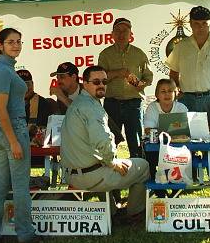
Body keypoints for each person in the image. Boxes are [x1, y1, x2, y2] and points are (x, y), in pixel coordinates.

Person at [60, 65, 150, 223]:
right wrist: (112, 162)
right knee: (143, 166)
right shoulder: (92, 107)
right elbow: (102, 141)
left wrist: (107, 161)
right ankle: (134, 214)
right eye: (96, 82)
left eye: (104, 81)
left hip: (71, 175)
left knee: (100, 162)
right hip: (90, 177)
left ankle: (112, 213)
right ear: (84, 83)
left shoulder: (78, 103)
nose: (101, 85)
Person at [0, 28, 40, 243]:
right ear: (0, 45)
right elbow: (1, 108)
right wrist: (14, 141)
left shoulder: (0, 67)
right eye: (10, 42)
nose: (16, 45)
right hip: (11, 127)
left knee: (0, 185)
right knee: (20, 185)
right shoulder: (4, 70)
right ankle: (25, 234)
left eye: (18, 41)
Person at [98, 17, 153, 158]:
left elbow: (148, 77)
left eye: (125, 31)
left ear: (130, 34)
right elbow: (100, 79)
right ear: (112, 34)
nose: (121, 34)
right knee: (110, 141)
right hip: (112, 103)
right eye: (117, 31)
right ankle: (111, 168)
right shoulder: (105, 54)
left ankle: (138, 168)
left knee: (136, 143)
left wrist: (141, 84)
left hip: (133, 104)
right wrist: (118, 73)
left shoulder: (139, 54)